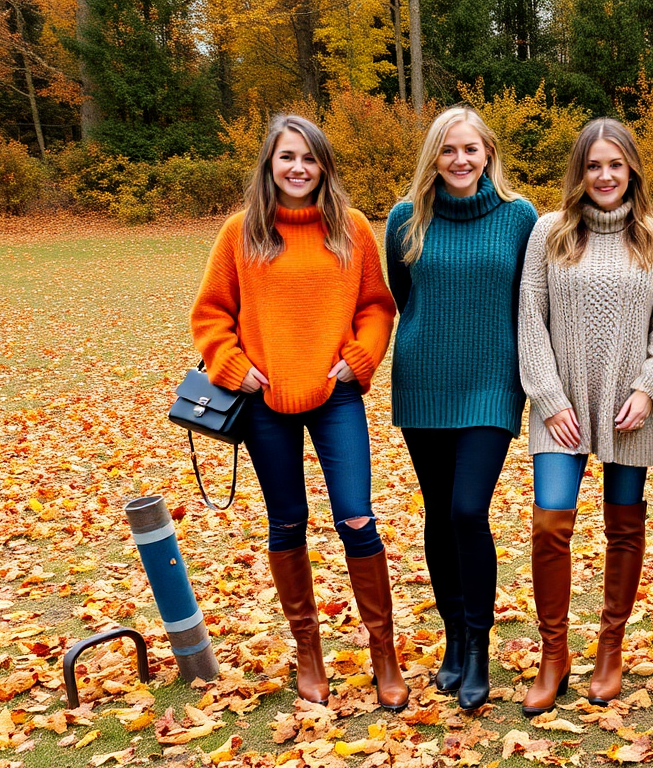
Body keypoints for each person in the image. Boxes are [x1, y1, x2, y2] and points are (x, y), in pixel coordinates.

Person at [191, 115, 406, 710]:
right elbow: (211, 313)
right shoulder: (242, 232)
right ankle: (307, 653)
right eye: (287, 157)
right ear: (269, 164)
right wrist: (232, 367)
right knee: (286, 521)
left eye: (309, 158)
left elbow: (376, 305)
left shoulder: (352, 229)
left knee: (357, 517)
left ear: (324, 167)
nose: (298, 168)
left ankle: (383, 653)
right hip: (264, 400)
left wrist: (360, 358)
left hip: (335, 394)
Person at [517, 118, 653, 714]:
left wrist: (648, 386)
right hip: (561, 405)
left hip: (630, 407)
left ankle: (610, 650)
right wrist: (550, 399)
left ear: (631, 168)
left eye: (615, 164)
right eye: (593, 165)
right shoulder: (549, 232)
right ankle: (553, 653)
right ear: (579, 173)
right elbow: (530, 316)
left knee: (623, 528)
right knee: (551, 522)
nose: (604, 176)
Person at [385, 106, 538, 711]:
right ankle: (452, 641)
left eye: (471, 149)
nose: (460, 160)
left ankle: (478, 649)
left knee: (468, 510)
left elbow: (530, 297)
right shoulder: (406, 218)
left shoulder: (518, 216)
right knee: (437, 513)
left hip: (492, 382)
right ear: (434, 156)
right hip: (423, 380)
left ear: (488, 154)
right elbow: (405, 294)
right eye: (449, 150)